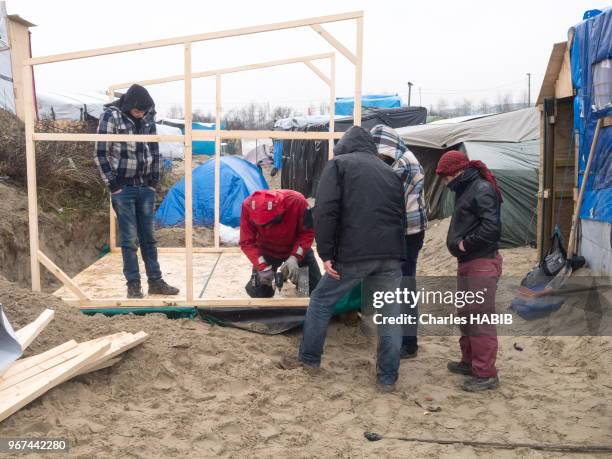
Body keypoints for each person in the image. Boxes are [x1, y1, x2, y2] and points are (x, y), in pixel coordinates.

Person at [295, 126, 406, 392]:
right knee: (390, 316)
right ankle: (387, 378)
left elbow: (325, 211)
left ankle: (309, 360)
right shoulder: (389, 172)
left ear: (344, 145)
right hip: (391, 255)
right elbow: (399, 216)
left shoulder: (339, 165)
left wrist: (327, 254)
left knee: (321, 301)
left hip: (354, 254)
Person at [94, 84, 179, 299]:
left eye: (143, 110)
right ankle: (133, 285)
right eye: (137, 110)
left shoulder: (149, 117)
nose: (140, 113)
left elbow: (155, 149)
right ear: (129, 105)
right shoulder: (111, 116)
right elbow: (100, 153)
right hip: (123, 187)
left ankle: (156, 281)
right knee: (130, 240)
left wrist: (154, 180)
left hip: (145, 186)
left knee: (149, 238)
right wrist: (113, 184)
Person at [435, 150, 503, 392]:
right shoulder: (466, 188)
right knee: (466, 313)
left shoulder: (481, 188)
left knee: (480, 318)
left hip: (481, 262)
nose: (444, 182)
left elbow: (492, 228)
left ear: (458, 172)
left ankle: (485, 374)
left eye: (445, 177)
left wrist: (466, 243)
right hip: (468, 262)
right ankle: (469, 362)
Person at [371, 125, 427, 359]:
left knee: (404, 285)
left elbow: (388, 198)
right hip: (407, 230)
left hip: (408, 232)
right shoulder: (401, 159)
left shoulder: (402, 164)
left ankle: (407, 343)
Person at [239, 189, 321, 297]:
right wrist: (262, 266)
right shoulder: (248, 206)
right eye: (263, 225)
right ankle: (262, 279)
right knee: (259, 294)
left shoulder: (297, 201)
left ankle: (297, 273)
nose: (267, 227)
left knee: (310, 289)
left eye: (271, 223)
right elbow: (247, 242)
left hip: (296, 247)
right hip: (267, 249)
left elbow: (307, 233)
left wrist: (295, 257)